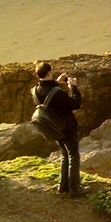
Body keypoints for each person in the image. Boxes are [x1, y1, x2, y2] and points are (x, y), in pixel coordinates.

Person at [32, 62, 83, 195]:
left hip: (52, 128)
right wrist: (73, 87)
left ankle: (63, 186)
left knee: (64, 155)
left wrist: (56, 83)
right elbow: (76, 104)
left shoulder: (34, 91)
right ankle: (75, 188)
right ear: (48, 73)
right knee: (73, 155)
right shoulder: (58, 93)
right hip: (67, 127)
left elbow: (48, 95)